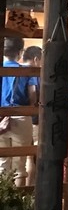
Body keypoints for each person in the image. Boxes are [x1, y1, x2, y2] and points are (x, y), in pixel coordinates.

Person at [0, 38, 38, 187]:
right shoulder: (27, 71)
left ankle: (3, 199)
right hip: (21, 117)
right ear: (20, 52)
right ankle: (18, 199)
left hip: (0, 117)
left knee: (2, 163)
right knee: (19, 166)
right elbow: (33, 96)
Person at [22, 45, 42, 185]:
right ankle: (29, 191)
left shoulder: (13, 69)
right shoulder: (34, 74)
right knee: (31, 158)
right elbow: (34, 95)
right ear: (36, 59)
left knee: (16, 160)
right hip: (33, 120)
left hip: (10, 119)